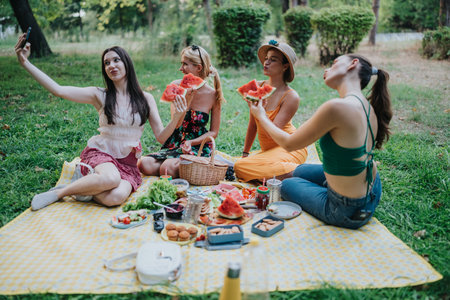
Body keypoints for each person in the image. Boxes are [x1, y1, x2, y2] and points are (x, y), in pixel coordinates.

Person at [14, 34, 187, 210]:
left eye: (116, 60)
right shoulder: (100, 95)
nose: (111, 65)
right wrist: (25, 63)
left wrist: (176, 118)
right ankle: (59, 193)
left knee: (116, 197)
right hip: (102, 153)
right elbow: (59, 90)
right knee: (111, 179)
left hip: (127, 163)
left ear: (127, 62)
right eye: (106, 63)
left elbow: (161, 137)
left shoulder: (146, 99)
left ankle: (87, 185)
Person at [248, 53, 392, 229]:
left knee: (287, 184)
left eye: (334, 63)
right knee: (299, 171)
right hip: (372, 189)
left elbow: (289, 143)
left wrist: (261, 117)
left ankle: (331, 193)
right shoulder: (367, 105)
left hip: (345, 209)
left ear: (352, 64)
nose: (326, 69)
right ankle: (332, 187)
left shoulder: (336, 108)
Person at [138, 45, 225, 178]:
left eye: (185, 64)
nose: (180, 68)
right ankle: (187, 169)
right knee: (144, 164)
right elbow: (177, 125)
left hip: (198, 144)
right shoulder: (176, 86)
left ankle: (184, 166)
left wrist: (191, 142)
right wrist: (187, 101)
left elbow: (214, 132)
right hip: (176, 140)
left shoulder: (213, 95)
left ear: (199, 68)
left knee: (166, 168)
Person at [234, 40, 307, 182]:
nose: (266, 63)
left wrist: (259, 114)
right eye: (266, 59)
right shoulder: (258, 86)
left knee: (241, 168)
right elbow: (253, 125)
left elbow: (271, 134)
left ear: (285, 66)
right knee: (240, 165)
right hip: (269, 154)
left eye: (273, 60)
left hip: (290, 148)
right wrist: (245, 153)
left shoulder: (291, 96)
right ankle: (281, 176)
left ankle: (299, 173)